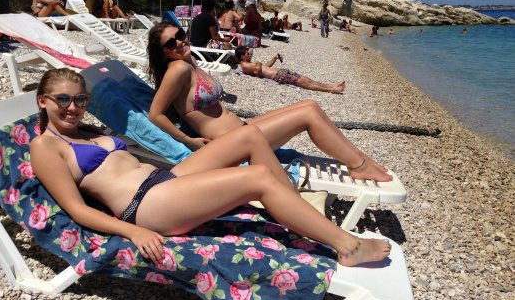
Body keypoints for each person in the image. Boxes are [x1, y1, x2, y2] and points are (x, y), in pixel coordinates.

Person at [31, 67, 391, 266]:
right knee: (258, 176)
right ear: (43, 101)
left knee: (249, 138)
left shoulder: (86, 131)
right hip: (145, 208)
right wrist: (134, 233)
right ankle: (347, 246)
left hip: (163, 180)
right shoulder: (46, 147)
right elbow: (76, 210)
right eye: (62, 100)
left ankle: (289, 204)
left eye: (80, 99)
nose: (72, 107)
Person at [147, 22, 392, 183]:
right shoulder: (177, 68)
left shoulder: (190, 63)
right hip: (232, 144)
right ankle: (359, 165)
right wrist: (188, 141)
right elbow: (155, 114)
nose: (179, 42)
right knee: (308, 114)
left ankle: (359, 158)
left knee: (310, 105)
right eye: (171, 43)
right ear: (164, 53)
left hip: (242, 129)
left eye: (179, 34)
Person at [234, 47, 345, 94]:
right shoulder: (244, 65)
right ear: (242, 56)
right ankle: (329, 90)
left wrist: (275, 58)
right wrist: (258, 62)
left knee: (306, 79)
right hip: (278, 76)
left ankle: (330, 86)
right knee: (304, 82)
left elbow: (265, 67)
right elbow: (258, 69)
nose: (249, 55)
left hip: (280, 73)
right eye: (247, 53)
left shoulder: (248, 63)